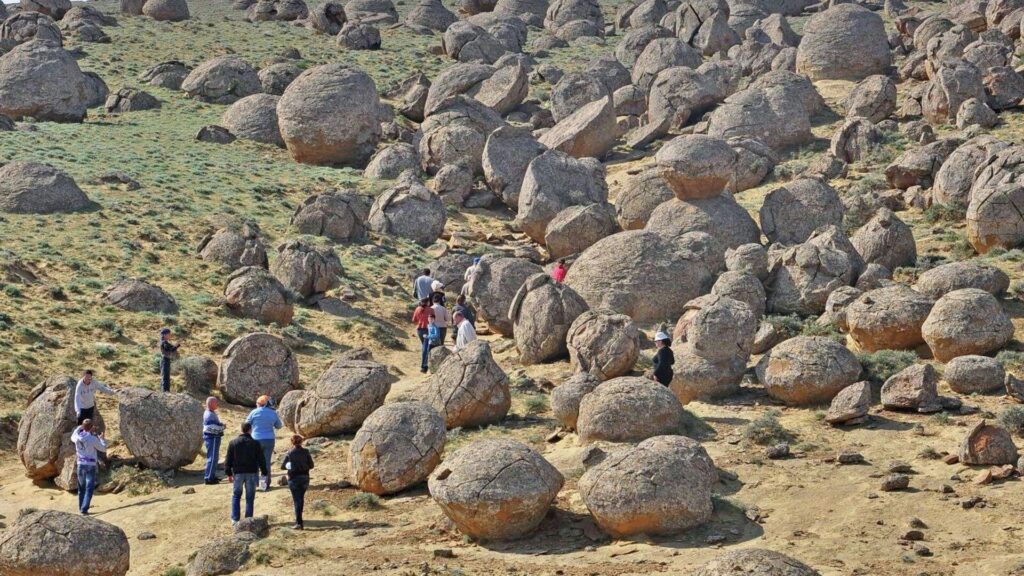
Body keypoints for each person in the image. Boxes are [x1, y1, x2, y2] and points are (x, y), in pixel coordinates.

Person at [225, 421, 268, 526]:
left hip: (238, 473)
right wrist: (264, 472)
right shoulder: (255, 443)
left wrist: (228, 473)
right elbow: (261, 459)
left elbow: (228, 459)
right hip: (252, 472)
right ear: (250, 430)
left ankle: (235, 519)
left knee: (236, 495)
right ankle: (248, 519)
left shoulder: (233, 443)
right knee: (250, 497)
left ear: (241, 430)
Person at [245, 396, 283, 491]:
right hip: (269, 440)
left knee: (255, 463)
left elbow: (246, 425)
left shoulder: (253, 412)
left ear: (259, 404)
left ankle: (254, 484)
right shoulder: (273, 413)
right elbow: (279, 426)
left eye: (257, 403)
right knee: (266, 463)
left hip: (255, 439)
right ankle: (264, 485)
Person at [71, 419, 107, 515]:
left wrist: (81, 427)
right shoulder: (93, 439)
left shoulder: (76, 437)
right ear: (91, 427)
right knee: (89, 488)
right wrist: (102, 439)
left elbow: (74, 433)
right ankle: (84, 509)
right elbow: (103, 449)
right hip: (90, 465)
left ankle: (81, 507)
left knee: (81, 487)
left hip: (80, 464)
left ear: (82, 427)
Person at [281, 435, 315, 530]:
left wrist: (290, 466)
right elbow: (311, 465)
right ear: (301, 442)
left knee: (297, 500)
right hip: (305, 477)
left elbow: (282, 466)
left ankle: (299, 522)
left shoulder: (289, 453)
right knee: (301, 499)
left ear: (292, 442)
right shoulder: (306, 452)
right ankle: (299, 520)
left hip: (293, 478)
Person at [203, 397, 226, 485]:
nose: (217, 404)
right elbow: (210, 428)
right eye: (216, 402)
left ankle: (211, 476)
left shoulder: (210, 413)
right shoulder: (209, 415)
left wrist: (220, 425)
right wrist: (222, 427)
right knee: (212, 458)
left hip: (213, 438)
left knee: (214, 458)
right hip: (212, 438)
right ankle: (209, 478)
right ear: (211, 404)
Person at [412, 297, 435, 373]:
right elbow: (433, 320)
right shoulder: (431, 310)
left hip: (419, 330)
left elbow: (414, 320)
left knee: (424, 346)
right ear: (428, 302)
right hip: (427, 330)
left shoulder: (417, 309)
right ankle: (424, 366)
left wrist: (420, 322)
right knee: (426, 348)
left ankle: (425, 364)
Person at [159, 328, 180, 393]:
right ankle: (165, 392)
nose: (170, 335)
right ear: (165, 335)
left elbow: (172, 348)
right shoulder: (164, 343)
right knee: (165, 377)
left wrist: (177, 345)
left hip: (166, 360)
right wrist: (177, 345)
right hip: (165, 360)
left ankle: (165, 392)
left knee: (166, 376)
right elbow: (170, 350)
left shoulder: (165, 342)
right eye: (169, 334)